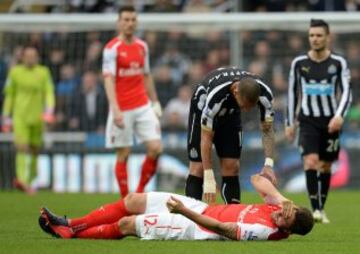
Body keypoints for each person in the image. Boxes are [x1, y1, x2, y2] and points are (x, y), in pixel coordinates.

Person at [38, 173, 314, 241]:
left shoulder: (266, 231)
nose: (278, 215)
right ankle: (71, 223)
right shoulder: (279, 208)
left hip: (194, 224)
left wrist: (184, 212)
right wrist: (281, 198)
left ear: (287, 231)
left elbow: (223, 228)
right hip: (201, 208)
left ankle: (71, 232)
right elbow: (256, 179)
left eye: (283, 219)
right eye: (283, 212)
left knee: (127, 225)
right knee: (133, 200)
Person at [285, 19, 352, 223]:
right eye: (312, 35)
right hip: (307, 120)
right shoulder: (299, 63)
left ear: (328, 37)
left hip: (331, 121)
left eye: (319, 35)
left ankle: (321, 207)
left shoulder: (338, 63)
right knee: (310, 161)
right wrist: (290, 122)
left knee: (325, 166)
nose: (315, 39)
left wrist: (339, 115)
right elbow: (292, 93)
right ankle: (315, 210)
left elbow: (347, 92)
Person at [185, 67, 276, 204]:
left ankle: (233, 216)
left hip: (231, 113)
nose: (246, 110)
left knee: (232, 166)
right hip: (202, 110)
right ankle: (190, 217)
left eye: (250, 107)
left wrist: (268, 164)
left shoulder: (265, 95)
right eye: (244, 106)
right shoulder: (215, 98)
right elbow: (206, 138)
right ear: (236, 91)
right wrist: (209, 176)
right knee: (197, 168)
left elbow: (267, 130)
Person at [102, 6, 162, 197]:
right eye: (126, 19)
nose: (129, 23)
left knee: (156, 148)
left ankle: (139, 192)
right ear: (119, 22)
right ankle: (125, 199)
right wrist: (116, 109)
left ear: (136, 23)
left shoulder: (142, 46)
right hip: (122, 107)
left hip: (143, 105)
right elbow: (108, 79)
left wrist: (155, 101)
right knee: (124, 153)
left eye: (133, 20)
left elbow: (146, 75)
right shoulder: (112, 49)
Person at [1, 45, 55, 193]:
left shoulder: (43, 72)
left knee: (34, 149)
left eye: (33, 55)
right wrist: (5, 115)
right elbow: (10, 95)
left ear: (37, 57)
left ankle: (31, 179)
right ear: (23, 57)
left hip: (37, 117)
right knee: (21, 147)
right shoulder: (15, 72)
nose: (31, 58)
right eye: (28, 55)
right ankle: (22, 180)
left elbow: (49, 92)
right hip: (20, 117)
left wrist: (49, 110)